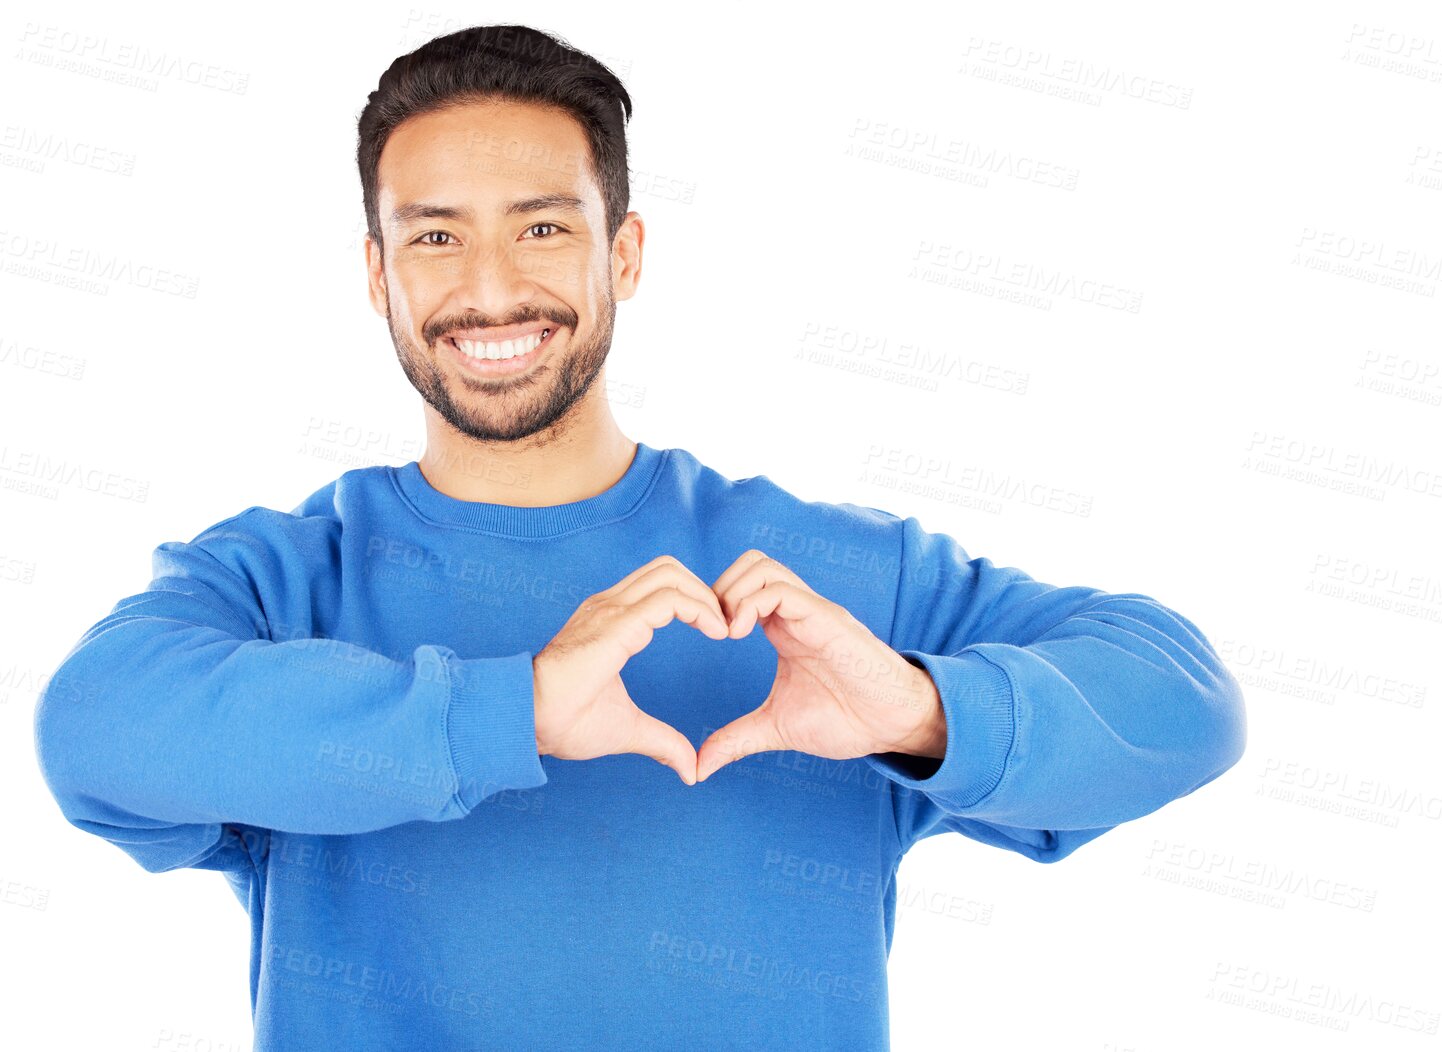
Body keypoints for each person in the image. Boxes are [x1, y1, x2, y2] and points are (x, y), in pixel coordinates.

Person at [32, 23, 1247, 1050]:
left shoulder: (819, 585)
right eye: (436, 235)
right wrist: (506, 712)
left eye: (545, 228)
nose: (490, 287)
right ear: (376, 273)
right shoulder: (289, 580)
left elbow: (1184, 697)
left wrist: (914, 709)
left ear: (625, 250)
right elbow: (91, 728)